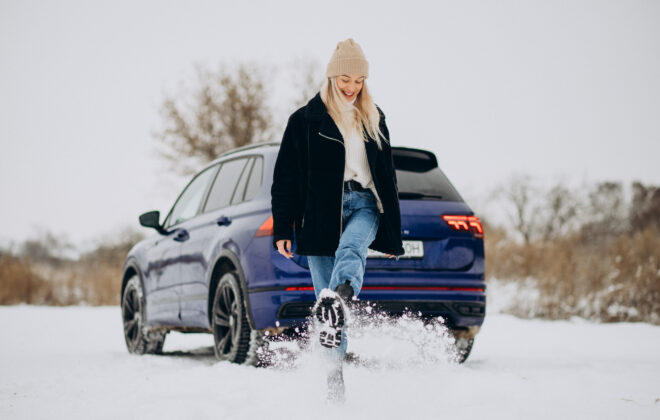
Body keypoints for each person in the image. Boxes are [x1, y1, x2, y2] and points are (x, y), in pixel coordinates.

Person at [270, 38, 405, 402]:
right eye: (345, 78)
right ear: (331, 77)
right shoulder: (305, 121)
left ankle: (345, 289)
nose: (351, 87)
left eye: (359, 80)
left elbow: (387, 177)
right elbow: (286, 178)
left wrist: (392, 232)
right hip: (319, 215)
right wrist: (283, 227)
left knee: (349, 251)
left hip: (363, 204)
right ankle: (333, 379)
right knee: (327, 309)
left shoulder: (374, 117)